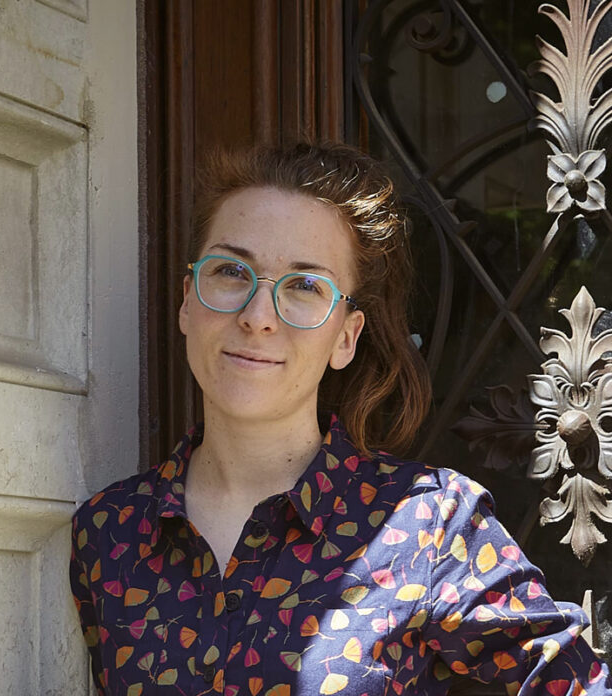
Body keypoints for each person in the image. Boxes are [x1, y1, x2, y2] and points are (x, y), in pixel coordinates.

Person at [70, 142, 611, 695]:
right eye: (232, 271)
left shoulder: (427, 526)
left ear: (346, 337)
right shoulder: (109, 533)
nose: (258, 316)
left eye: (305, 286)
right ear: (188, 301)